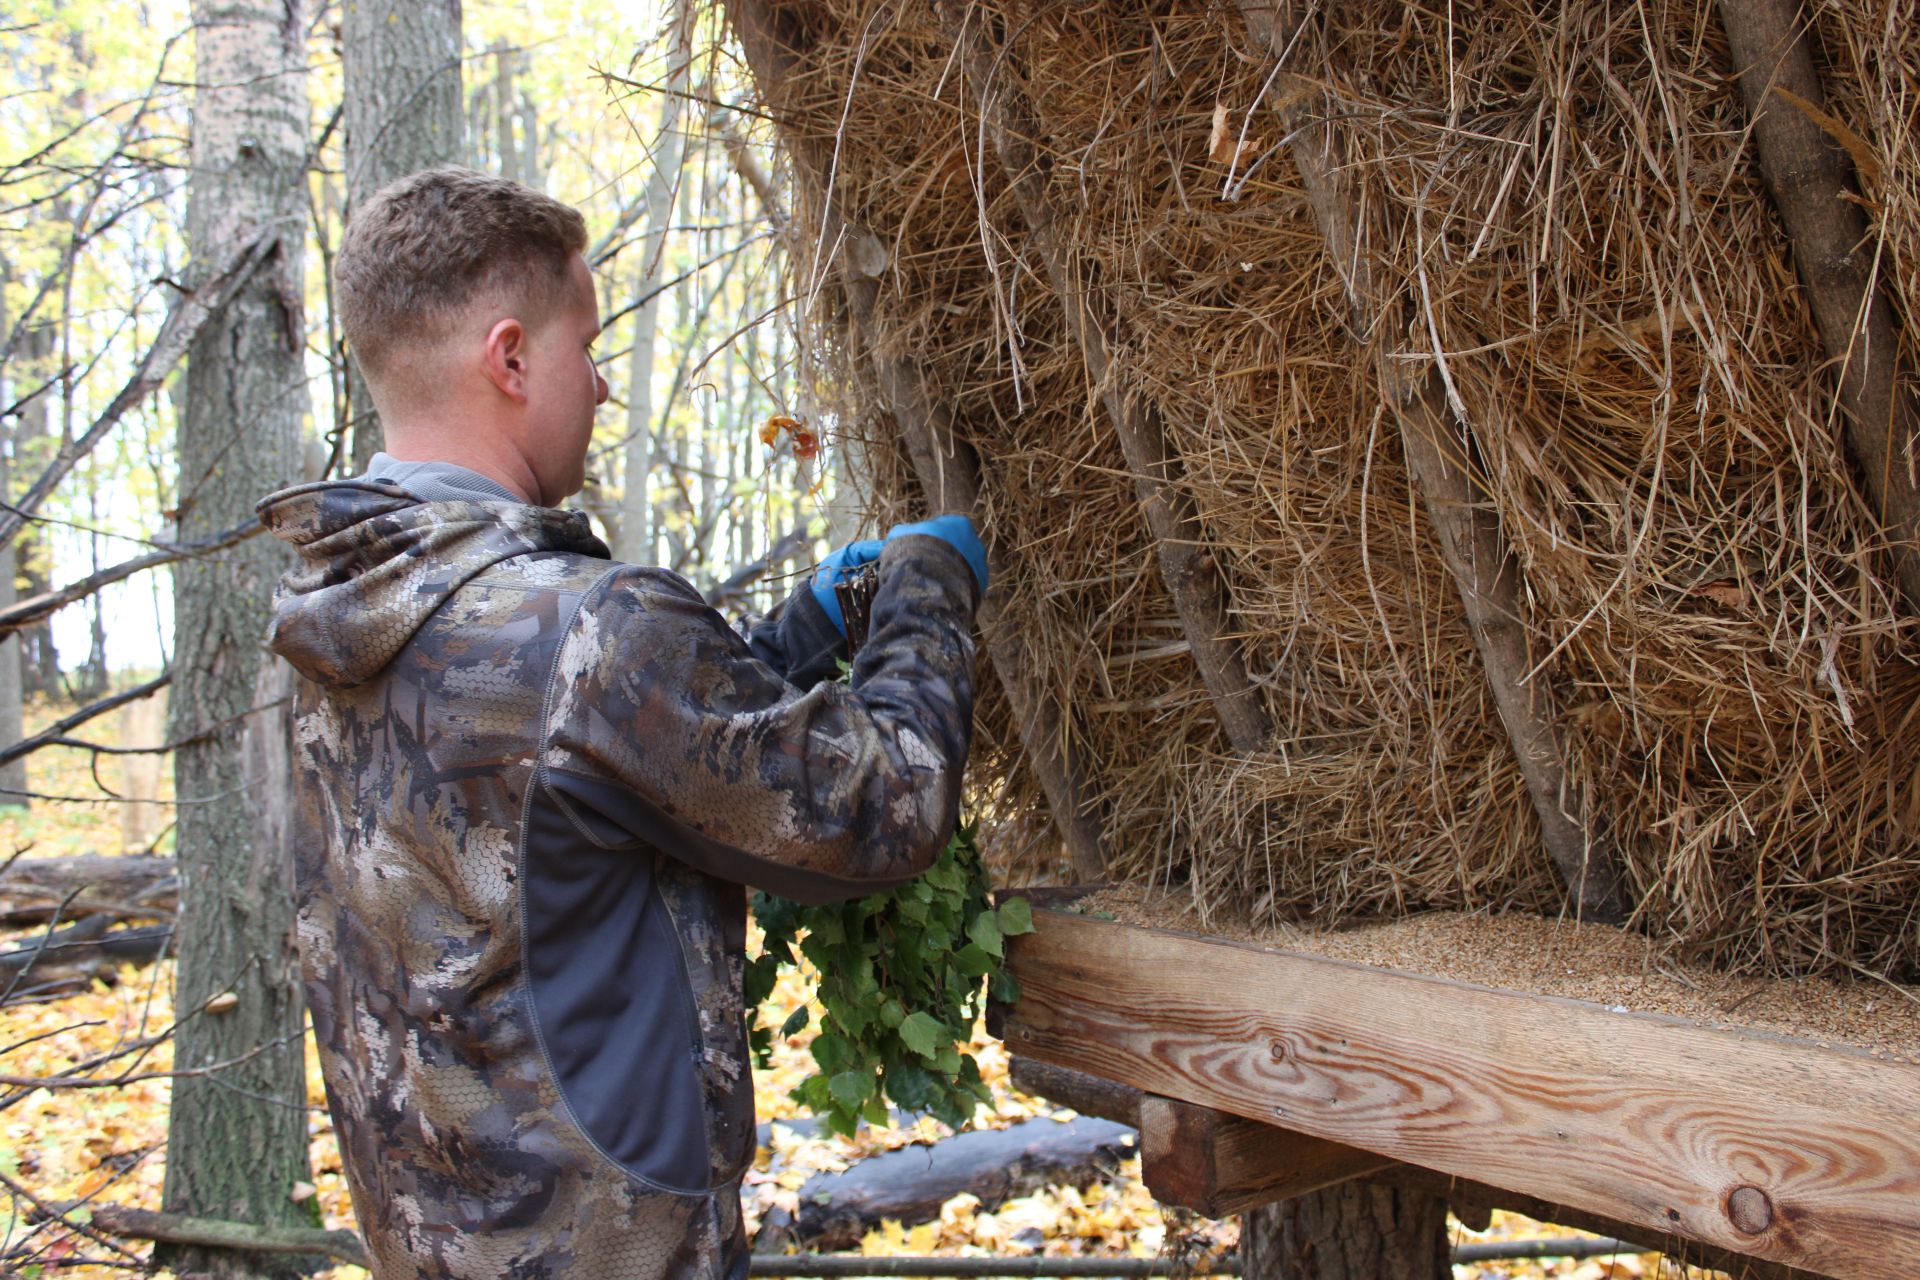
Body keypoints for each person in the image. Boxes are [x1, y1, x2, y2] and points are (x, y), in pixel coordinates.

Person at [256, 166, 987, 1279]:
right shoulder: (590, 626)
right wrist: (931, 583)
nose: (601, 387)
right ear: (509, 358)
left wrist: (806, 624)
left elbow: (580, 779)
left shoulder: (327, 623)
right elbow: (885, 807)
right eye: (585, 350)